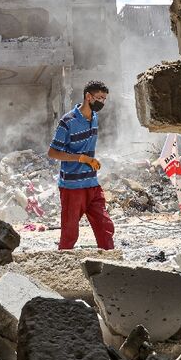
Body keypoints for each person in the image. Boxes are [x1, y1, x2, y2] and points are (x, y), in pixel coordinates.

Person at [47, 80, 115, 250]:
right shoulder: (67, 122)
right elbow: (53, 153)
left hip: (92, 184)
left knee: (105, 226)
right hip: (72, 187)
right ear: (88, 96)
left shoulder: (95, 117)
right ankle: (63, 267)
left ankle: (110, 264)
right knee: (70, 233)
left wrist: (91, 161)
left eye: (105, 99)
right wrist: (81, 159)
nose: (102, 102)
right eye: (99, 98)